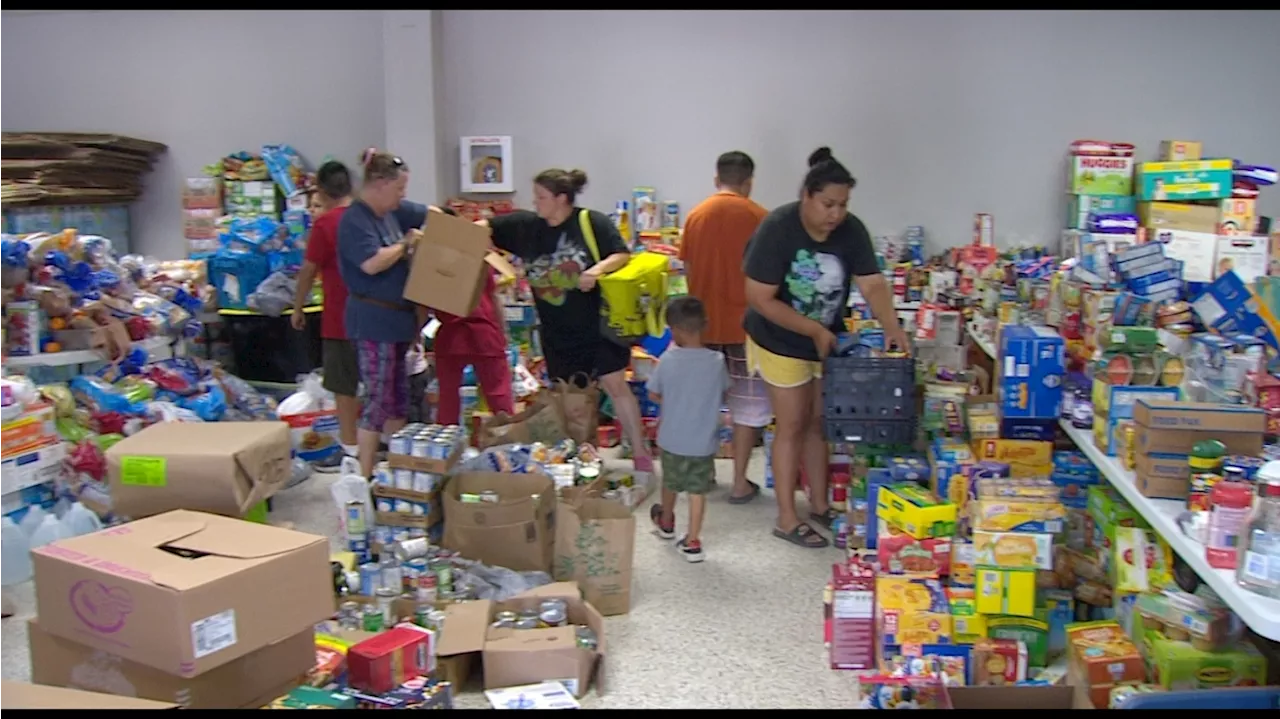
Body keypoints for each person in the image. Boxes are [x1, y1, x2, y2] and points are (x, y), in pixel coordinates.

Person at [742, 147, 909, 549]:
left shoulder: (851, 231)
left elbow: (872, 283)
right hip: (778, 338)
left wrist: (893, 328)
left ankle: (819, 505)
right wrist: (812, 329)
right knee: (792, 425)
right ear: (807, 197)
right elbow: (759, 297)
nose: (836, 214)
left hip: (824, 341)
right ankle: (785, 517)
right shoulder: (778, 228)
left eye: (843, 205)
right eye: (828, 204)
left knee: (820, 423)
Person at [475, 169, 653, 477]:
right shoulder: (525, 227)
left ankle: (640, 452)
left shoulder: (590, 222)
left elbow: (621, 254)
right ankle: (581, 457)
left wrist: (596, 271)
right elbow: (481, 229)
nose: (536, 203)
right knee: (566, 397)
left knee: (615, 386)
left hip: (598, 325)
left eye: (542, 197)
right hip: (556, 331)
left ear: (562, 199)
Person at [679, 150, 770, 504]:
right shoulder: (761, 217)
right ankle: (740, 482)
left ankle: (703, 475)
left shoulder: (696, 216)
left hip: (700, 328)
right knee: (747, 407)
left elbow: (687, 272)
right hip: (746, 328)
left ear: (717, 179)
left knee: (702, 405)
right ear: (748, 182)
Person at [336, 150, 430, 478]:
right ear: (379, 184)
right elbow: (371, 263)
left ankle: (398, 468)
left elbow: (431, 214)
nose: (402, 196)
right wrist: (405, 245)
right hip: (373, 323)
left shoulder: (392, 213)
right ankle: (364, 474)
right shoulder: (354, 220)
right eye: (399, 189)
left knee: (398, 398)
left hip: (400, 323)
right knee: (376, 400)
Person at [645, 296, 730, 562]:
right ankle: (693, 541)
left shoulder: (668, 360)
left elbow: (653, 394)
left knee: (670, 483)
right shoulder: (717, 361)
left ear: (674, 329)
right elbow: (724, 393)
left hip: (671, 438)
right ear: (704, 325)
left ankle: (667, 521)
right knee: (697, 491)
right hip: (703, 441)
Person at [292, 160, 359, 461]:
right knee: (380, 385)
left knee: (344, 388)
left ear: (321, 190)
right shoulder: (369, 218)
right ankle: (381, 444)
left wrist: (298, 306)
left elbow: (308, 269)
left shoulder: (326, 224)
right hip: (380, 318)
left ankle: (351, 449)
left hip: (341, 319)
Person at [431, 207, 515, 425]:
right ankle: (510, 441)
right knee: (498, 395)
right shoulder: (478, 255)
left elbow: (423, 304)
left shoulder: (431, 261)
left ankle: (447, 449)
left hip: (450, 334)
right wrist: (503, 332)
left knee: (448, 399)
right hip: (484, 331)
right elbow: (493, 296)